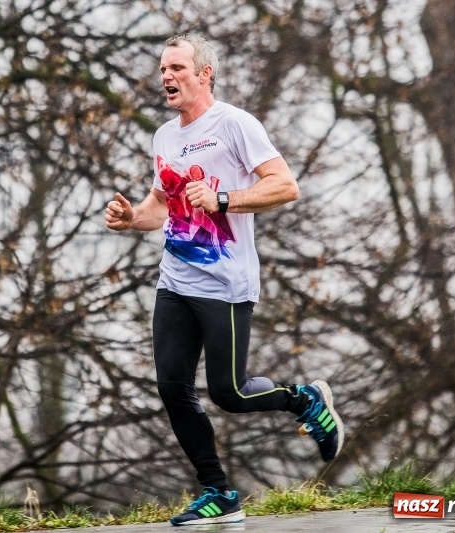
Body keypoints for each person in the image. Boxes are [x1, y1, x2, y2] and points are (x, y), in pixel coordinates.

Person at [104, 33, 343, 527]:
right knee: (172, 386)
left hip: (226, 284)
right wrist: (133, 218)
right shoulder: (165, 137)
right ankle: (218, 492)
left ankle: (305, 399)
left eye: (177, 68)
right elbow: (161, 208)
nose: (166, 77)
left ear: (204, 74)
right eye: (163, 69)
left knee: (229, 393)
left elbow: (285, 185)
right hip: (176, 280)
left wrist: (226, 200)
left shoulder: (235, 124)